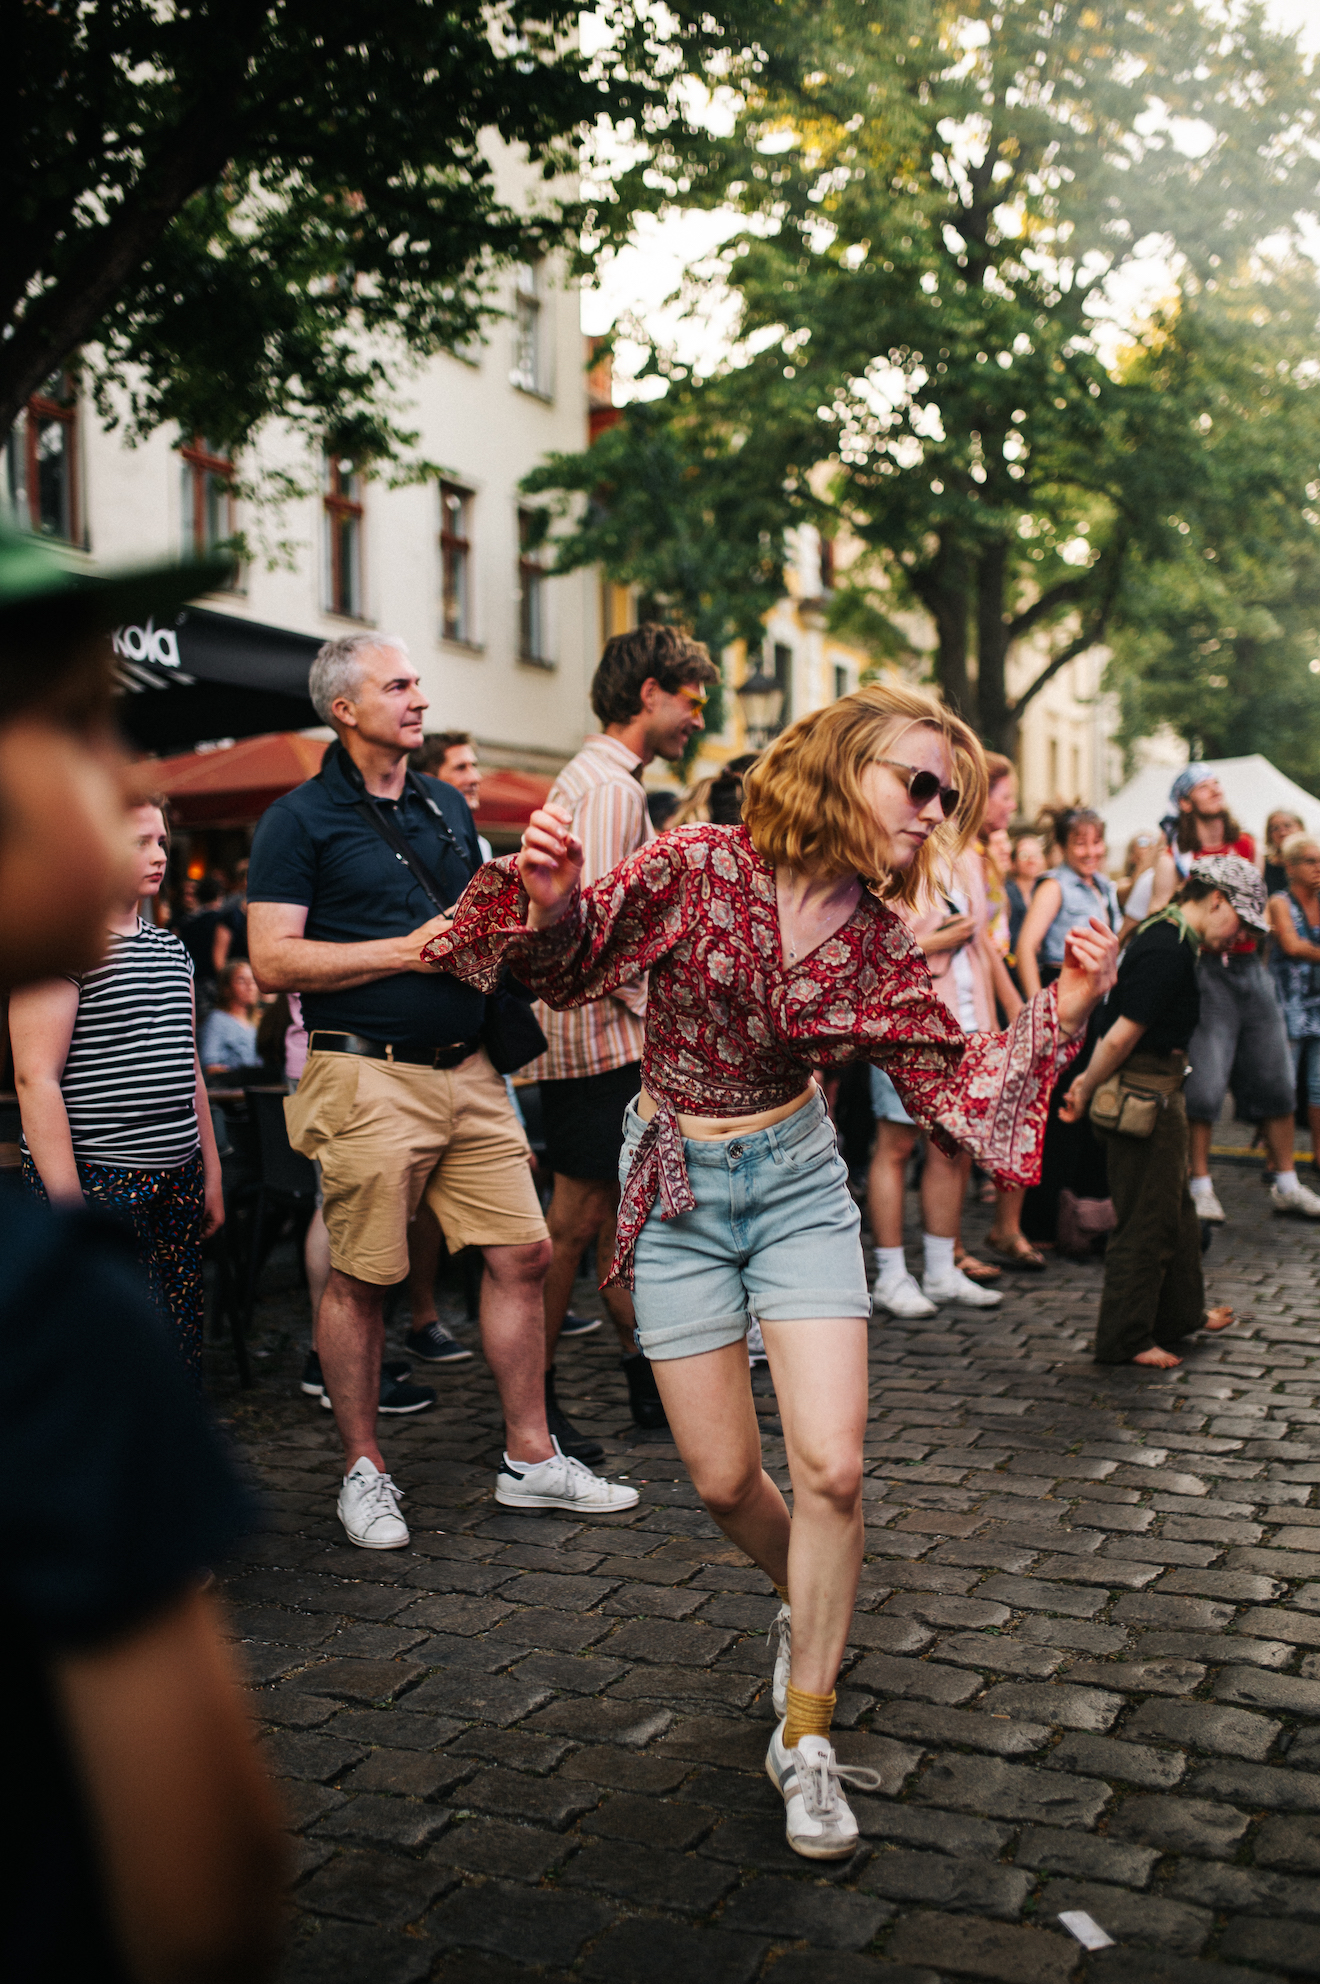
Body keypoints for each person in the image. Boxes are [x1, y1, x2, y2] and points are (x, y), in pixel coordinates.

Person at [424, 681, 1118, 1861]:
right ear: (843, 765)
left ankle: (808, 1733)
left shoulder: (875, 940)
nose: (933, 808)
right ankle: (809, 1593)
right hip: (681, 1189)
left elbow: (960, 1088)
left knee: (834, 1470)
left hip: (796, 1184)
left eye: (946, 795)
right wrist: (544, 904)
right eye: (919, 781)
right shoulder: (695, 864)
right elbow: (562, 965)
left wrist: (1069, 1003)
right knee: (721, 1480)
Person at [0, 521, 286, 1982]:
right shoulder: (40, 1315)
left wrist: (212, 1151)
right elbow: (211, 1886)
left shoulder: (166, 948)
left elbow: (176, 1059)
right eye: (76, 727)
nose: (130, 784)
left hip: (172, 1173)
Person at [247, 629, 638, 1550]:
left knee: (526, 1255)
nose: (419, 697)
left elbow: (490, 939)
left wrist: (550, 904)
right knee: (364, 1277)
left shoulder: (443, 809)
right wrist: (404, 949)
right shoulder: (296, 820)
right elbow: (270, 958)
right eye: (399, 685)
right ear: (345, 710)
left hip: (470, 1069)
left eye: (419, 682)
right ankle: (364, 1470)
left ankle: (531, 1459)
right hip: (365, 1075)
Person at [530, 625, 718, 1448]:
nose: (697, 722)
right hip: (596, 1041)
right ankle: (531, 1408)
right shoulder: (613, 790)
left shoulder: (602, 779)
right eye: (691, 702)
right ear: (649, 694)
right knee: (573, 1228)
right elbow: (599, 930)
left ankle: (648, 1382)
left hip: (594, 1038)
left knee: (612, 1226)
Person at [12, 799, 225, 1380]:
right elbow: (36, 1080)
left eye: (160, 841)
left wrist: (210, 1168)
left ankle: (168, 1456)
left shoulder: (170, 946)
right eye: (138, 842)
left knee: (176, 1333)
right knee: (105, 1344)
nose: (157, 855)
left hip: (176, 1174)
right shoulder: (62, 947)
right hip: (102, 1177)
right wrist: (69, 1213)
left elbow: (189, 1066)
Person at [1059, 859, 1256, 1366]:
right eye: (1242, 921)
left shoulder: (1172, 936)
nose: (1241, 936)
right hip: (1143, 1097)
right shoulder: (1167, 946)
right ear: (1217, 901)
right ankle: (1126, 1338)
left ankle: (1179, 1316)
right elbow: (1121, 1033)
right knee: (1146, 1221)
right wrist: (1084, 1085)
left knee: (1177, 1214)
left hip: (1159, 1092)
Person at [1148, 769, 1319, 1224]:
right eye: (1204, 787)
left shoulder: (1244, 845)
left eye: (1218, 785)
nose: (1216, 790)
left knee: (1276, 1075)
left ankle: (1286, 1183)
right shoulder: (1176, 857)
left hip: (1248, 966)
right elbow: (1160, 914)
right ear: (1185, 802)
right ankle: (1199, 1184)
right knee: (1204, 1084)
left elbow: (1255, 908)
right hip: (1205, 970)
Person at [1015, 807, 1122, 1246]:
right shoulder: (1055, 885)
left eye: (1096, 842)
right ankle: (1040, 1222)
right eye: (1080, 843)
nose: (1090, 851)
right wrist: (1038, 1007)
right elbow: (1027, 946)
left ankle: (1081, 1214)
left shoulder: (1105, 887)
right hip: (1065, 998)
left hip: (1098, 1003)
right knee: (1058, 1113)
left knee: (1086, 1108)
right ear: (1062, 846)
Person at [1267, 833, 1320, 1170]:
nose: (1318, 868)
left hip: (1318, 1006)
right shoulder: (1279, 902)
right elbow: (1291, 945)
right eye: (1310, 861)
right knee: (1283, 1084)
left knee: (1319, 1085)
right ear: (1290, 866)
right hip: (1287, 1006)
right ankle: (1277, 1161)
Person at [412, 730, 493, 861]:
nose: (476, 778)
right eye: (461, 768)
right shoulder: (416, 842)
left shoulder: (481, 845)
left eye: (474, 766)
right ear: (429, 780)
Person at [200, 959, 260, 1074]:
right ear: (226, 989)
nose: (250, 986)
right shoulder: (217, 1020)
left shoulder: (257, 1020)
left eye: (253, 980)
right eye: (241, 980)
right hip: (230, 1089)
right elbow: (210, 1065)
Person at [1005, 831, 1045, 965]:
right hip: (1012, 964)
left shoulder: (1049, 891)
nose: (1031, 860)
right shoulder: (1006, 891)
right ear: (1013, 862)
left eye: (1036, 855)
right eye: (1024, 855)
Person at [1263, 809, 1305, 897]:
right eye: (1275, 828)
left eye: (1287, 825)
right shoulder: (1263, 864)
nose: (1282, 832)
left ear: (1300, 828)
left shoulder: (1314, 860)